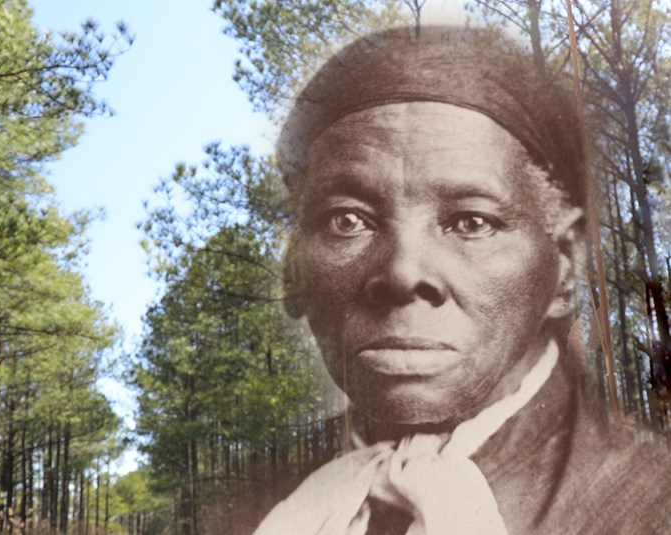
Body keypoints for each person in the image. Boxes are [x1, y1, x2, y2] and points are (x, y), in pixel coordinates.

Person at [255, 26, 671, 534]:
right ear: (294, 272)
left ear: (564, 267)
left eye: (471, 222)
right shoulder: (249, 503)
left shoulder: (655, 504)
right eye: (348, 220)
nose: (403, 272)